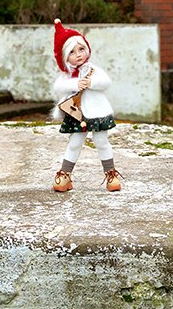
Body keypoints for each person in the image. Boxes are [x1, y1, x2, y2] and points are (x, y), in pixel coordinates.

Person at [51, 17, 122, 193]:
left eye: (81, 49)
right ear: (65, 57)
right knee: (75, 142)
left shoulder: (93, 70)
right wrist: (75, 84)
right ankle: (65, 175)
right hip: (77, 113)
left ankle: (111, 174)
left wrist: (91, 83)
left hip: (98, 112)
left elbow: (106, 82)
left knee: (101, 141)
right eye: (72, 52)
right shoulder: (67, 75)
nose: (78, 54)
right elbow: (58, 87)